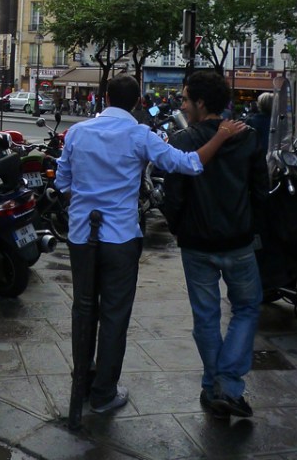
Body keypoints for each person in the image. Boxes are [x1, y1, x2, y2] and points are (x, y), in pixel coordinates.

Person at [54, 74, 245, 416]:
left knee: (84, 311)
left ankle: (80, 383)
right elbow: (189, 164)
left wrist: (84, 205)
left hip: (83, 237)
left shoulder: (78, 132)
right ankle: (103, 393)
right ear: (138, 102)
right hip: (121, 239)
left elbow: (63, 181)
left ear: (106, 97)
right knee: (114, 315)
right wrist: (222, 135)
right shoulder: (140, 135)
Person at [161, 70, 269, 420]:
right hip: (238, 240)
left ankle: (217, 385)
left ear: (200, 102)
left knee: (206, 316)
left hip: (197, 242)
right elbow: (260, 192)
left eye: (185, 98)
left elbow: (173, 196)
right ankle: (226, 385)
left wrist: (179, 229)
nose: (182, 103)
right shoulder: (248, 138)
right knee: (247, 308)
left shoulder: (182, 140)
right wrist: (253, 228)